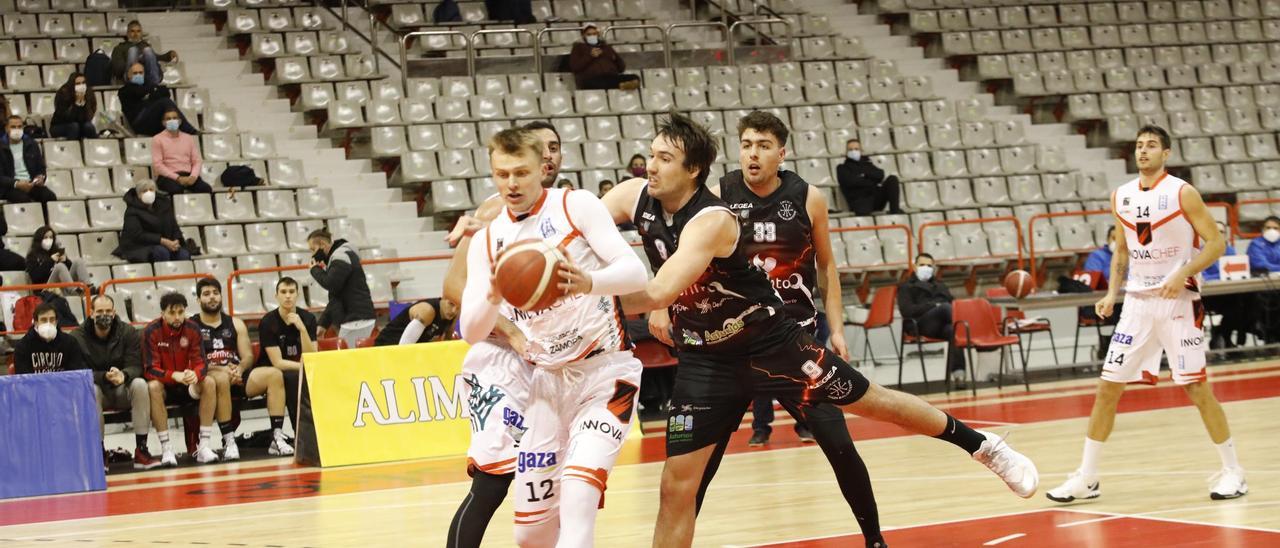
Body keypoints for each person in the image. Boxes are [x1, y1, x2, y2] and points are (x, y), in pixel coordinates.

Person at [601, 113, 1036, 546]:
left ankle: (984, 447)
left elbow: (659, 290)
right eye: (651, 156)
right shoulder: (641, 195)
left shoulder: (720, 215)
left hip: (775, 345)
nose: (651, 166)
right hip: (706, 356)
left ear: (693, 169)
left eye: (663, 158)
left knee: (873, 406)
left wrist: (578, 291)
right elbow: (581, 227)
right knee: (676, 487)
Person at [458, 127, 649, 547]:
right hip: (546, 386)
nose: (511, 183)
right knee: (530, 534)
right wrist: (492, 295)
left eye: (521, 172)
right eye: (502, 174)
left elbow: (636, 272)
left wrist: (588, 282)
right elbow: (471, 331)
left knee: (579, 495)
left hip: (606, 372)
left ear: (542, 168)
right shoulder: (487, 243)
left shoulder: (574, 205)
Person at [704, 110, 884, 544]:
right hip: (734, 345)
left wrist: (836, 327)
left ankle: (875, 539)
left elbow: (827, 267)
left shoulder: (808, 197)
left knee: (841, 448)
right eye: (747, 144)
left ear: (781, 153)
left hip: (795, 343)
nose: (753, 153)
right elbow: (692, 261)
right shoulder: (717, 195)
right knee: (699, 462)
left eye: (763, 145)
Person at [1046, 125, 1245, 503]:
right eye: (1139, 145)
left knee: (1196, 387)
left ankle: (1233, 471)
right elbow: (1121, 251)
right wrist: (1110, 294)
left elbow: (1216, 243)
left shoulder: (1182, 192)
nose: (1143, 151)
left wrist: (1183, 273)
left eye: (1151, 145)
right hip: (1136, 303)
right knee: (1107, 388)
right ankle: (1087, 478)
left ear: (1166, 153)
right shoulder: (1120, 196)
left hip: (1178, 303)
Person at [442, 120, 563, 548]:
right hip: (500, 361)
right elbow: (452, 291)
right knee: (492, 483)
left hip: (548, 362)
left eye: (554, 147)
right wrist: (511, 332)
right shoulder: (495, 211)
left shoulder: (567, 210)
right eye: (540, 147)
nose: (549, 154)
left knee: (551, 484)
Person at [192, 278, 294, 457]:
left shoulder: (236, 323)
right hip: (209, 378)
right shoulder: (192, 326)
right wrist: (220, 370)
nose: (212, 298)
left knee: (274, 374)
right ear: (198, 300)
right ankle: (229, 441)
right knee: (221, 379)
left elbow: (247, 355)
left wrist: (239, 368)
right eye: (206, 294)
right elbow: (193, 360)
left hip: (236, 375)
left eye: (215, 293)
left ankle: (277, 438)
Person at [72, 294, 160, 470]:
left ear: (114, 312)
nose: (104, 315)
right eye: (99, 311)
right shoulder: (77, 337)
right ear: (91, 313)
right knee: (92, 388)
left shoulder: (128, 332)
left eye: (107, 311)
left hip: (122, 389)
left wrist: (124, 375)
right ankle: (99, 452)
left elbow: (136, 364)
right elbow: (79, 373)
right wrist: (104, 376)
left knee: (140, 384)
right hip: (99, 392)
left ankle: (141, 450)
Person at [143, 292, 220, 466]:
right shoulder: (151, 331)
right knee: (152, 386)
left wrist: (196, 374)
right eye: (172, 313)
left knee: (208, 381)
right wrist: (173, 375)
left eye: (181, 312)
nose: (177, 317)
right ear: (163, 313)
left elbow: (202, 363)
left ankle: (204, 446)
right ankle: (166, 449)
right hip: (165, 386)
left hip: (187, 385)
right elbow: (149, 370)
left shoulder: (193, 329)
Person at [255, 277, 317, 427]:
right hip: (273, 370)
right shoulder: (268, 322)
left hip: (298, 369)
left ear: (298, 295)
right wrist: (304, 367)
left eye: (291, 292)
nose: (288, 295)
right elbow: (278, 362)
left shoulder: (308, 319)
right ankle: (299, 432)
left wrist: (302, 329)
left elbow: (312, 356)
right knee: (294, 377)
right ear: (276, 296)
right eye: (283, 292)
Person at [897, 253, 966, 385]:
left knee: (953, 330)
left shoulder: (940, 285)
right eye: (922, 265)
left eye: (929, 265)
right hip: (918, 325)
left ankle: (959, 374)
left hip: (940, 325)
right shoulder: (906, 287)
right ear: (914, 266)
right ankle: (972, 332)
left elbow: (954, 304)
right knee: (946, 308)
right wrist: (933, 306)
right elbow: (907, 311)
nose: (926, 268)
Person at [307, 228, 375, 349]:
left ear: (322, 244)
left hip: (356, 320)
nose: (312, 255)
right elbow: (336, 297)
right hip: (354, 319)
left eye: (313, 249)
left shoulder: (340, 256)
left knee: (348, 362)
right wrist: (323, 324)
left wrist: (315, 270)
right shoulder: (338, 257)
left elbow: (331, 284)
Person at [114, 179, 190, 263]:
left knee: (183, 254)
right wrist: (162, 241)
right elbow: (137, 235)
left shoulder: (164, 205)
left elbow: (174, 225)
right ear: (138, 194)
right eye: (144, 191)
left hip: (166, 243)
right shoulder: (132, 211)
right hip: (141, 246)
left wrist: (176, 240)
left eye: (151, 190)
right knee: (161, 252)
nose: (149, 193)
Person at [118, 62, 196, 137]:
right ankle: (190, 131)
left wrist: (149, 96)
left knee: (167, 108)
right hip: (140, 123)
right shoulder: (124, 91)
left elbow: (165, 92)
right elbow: (138, 93)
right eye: (135, 73)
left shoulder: (149, 86)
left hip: (155, 121)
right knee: (164, 102)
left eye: (140, 72)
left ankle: (180, 133)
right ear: (128, 75)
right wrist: (152, 93)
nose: (138, 75)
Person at [1203, 222, 1247, 350]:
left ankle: (1222, 333)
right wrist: (1220, 276)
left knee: (1246, 302)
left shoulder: (1230, 251)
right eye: (1214, 230)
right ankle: (1224, 335)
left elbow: (1236, 272)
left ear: (1226, 236)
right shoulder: (1199, 252)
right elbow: (1201, 276)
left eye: (1221, 232)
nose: (1218, 234)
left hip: (1228, 294)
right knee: (1236, 305)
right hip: (1207, 297)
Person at [152, 108, 211, 195]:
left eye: (174, 118)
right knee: (176, 189)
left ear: (179, 121)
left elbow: (197, 161)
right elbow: (158, 165)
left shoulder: (188, 138)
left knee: (205, 188)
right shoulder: (157, 139)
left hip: (189, 175)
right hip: (167, 177)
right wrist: (177, 178)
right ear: (163, 123)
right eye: (168, 119)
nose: (172, 120)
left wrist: (193, 176)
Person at [14, 302, 86, 374]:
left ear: (56, 321)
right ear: (36, 322)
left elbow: (76, 373)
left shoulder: (70, 343)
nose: (48, 323)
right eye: (43, 320)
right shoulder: (23, 346)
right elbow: (22, 377)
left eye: (52, 319)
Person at [836, 138, 901, 216]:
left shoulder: (867, 164)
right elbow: (851, 182)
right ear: (846, 152)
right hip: (860, 202)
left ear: (861, 151)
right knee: (862, 208)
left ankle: (895, 212)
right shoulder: (842, 168)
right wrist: (871, 180)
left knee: (892, 179)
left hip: (875, 199)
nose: (853, 151)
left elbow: (880, 174)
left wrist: (864, 175)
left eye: (856, 149)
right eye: (850, 149)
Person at [1, 115, 58, 205]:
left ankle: (46, 219)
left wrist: (40, 177)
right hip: (10, 187)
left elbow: (41, 168)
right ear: (6, 129)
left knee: (49, 196)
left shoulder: (32, 144)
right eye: (13, 127)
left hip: (31, 184)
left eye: (19, 127)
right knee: (23, 199)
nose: (17, 129)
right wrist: (17, 183)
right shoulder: (1, 147)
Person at [568, 23, 640, 91]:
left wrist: (616, 59)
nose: (592, 36)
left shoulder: (606, 47)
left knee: (635, 77)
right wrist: (590, 56)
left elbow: (621, 68)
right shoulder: (578, 48)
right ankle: (620, 85)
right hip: (592, 78)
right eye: (589, 34)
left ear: (598, 34)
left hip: (611, 76)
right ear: (584, 36)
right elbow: (575, 67)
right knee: (594, 83)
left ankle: (621, 85)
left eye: (594, 34)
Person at [110, 20, 178, 86]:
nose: (136, 34)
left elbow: (155, 58)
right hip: (129, 78)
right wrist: (139, 62)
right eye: (132, 31)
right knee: (133, 51)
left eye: (138, 31)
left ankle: (154, 80)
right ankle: (136, 77)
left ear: (141, 33)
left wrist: (169, 56)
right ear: (127, 33)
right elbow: (118, 70)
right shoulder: (119, 48)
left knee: (148, 50)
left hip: (148, 78)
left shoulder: (145, 46)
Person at [25, 226, 92, 288]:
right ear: (39, 239)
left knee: (78, 261)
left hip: (63, 285)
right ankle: (74, 290)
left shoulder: (56, 251)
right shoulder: (32, 256)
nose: (49, 240)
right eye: (45, 237)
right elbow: (35, 277)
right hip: (46, 289)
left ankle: (88, 287)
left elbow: (69, 272)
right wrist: (51, 261)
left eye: (51, 237)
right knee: (60, 266)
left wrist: (66, 261)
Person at [373, 298, 458, 346]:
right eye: (451, 304)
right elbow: (404, 347)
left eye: (458, 307)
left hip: (411, 351)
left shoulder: (452, 316)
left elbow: (448, 342)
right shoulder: (427, 311)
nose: (454, 311)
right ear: (443, 297)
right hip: (386, 347)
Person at [50, 72, 98, 140]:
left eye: (83, 83)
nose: (81, 86)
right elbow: (66, 117)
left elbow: (89, 117)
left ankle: (93, 148)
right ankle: (72, 148)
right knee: (74, 126)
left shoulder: (89, 94)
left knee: (89, 127)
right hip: (60, 125)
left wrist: (83, 103)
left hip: (80, 124)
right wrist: (77, 103)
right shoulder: (63, 93)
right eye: (78, 84)